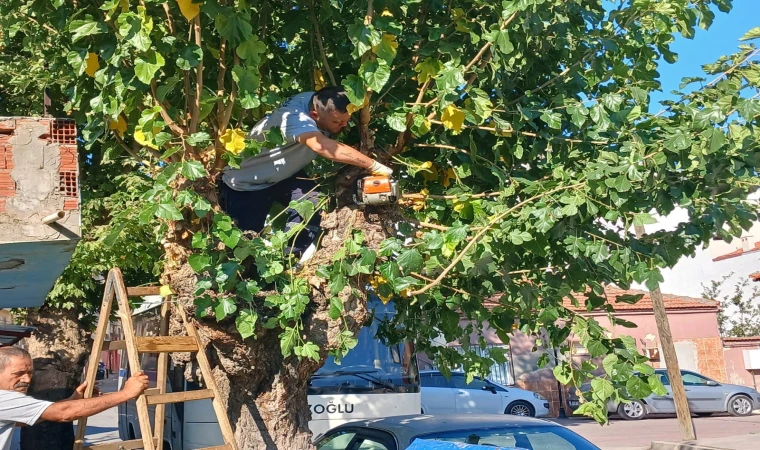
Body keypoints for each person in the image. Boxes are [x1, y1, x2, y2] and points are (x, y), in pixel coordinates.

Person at [220, 86, 393, 259]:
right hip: (245, 185)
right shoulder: (295, 118)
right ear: (314, 116)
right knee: (244, 246)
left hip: (283, 175)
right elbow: (322, 146)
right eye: (338, 123)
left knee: (310, 202)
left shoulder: (319, 100)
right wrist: (373, 165)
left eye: (346, 120)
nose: (345, 125)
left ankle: (290, 258)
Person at [0, 347, 149, 450]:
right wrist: (126, 393)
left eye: (30, 372)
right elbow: (63, 413)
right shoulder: (4, 398)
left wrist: (74, 399)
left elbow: (34, 417)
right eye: (18, 373)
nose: (26, 379)